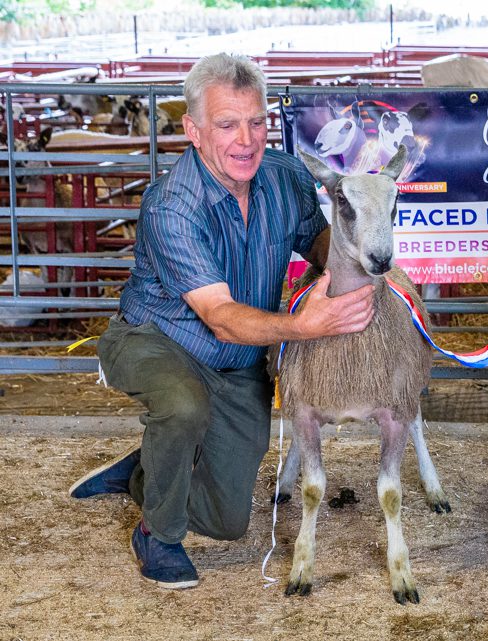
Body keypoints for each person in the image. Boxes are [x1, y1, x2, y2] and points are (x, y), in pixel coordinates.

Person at [69, 53, 375, 589]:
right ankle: (156, 536)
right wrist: (304, 326)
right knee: (183, 405)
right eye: (227, 124)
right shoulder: (171, 206)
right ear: (193, 130)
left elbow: (320, 242)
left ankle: (148, 466)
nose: (246, 139)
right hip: (157, 340)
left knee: (228, 520)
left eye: (256, 122)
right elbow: (221, 318)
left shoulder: (284, 177)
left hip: (236, 358)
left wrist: (359, 261)